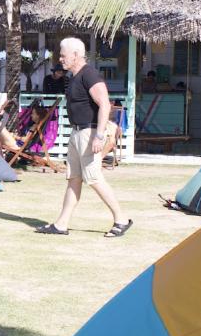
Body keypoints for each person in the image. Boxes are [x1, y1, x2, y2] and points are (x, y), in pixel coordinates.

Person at [39, 37, 132, 237]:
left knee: (94, 178)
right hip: (77, 132)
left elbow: (105, 104)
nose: (61, 60)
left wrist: (99, 136)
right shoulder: (75, 76)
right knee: (74, 179)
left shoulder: (89, 74)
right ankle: (61, 224)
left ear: (76, 55)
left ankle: (121, 219)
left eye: (63, 56)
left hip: (89, 133)